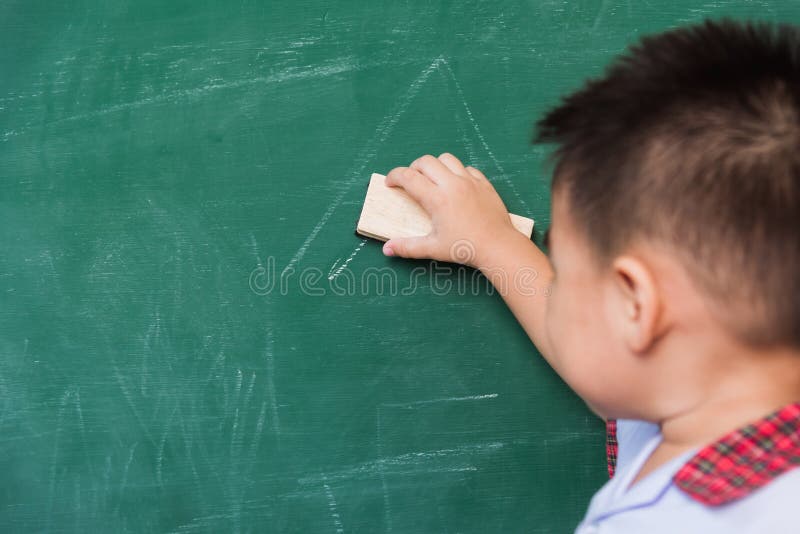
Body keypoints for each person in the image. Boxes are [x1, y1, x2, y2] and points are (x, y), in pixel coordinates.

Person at [380, 19, 800, 532]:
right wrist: (493, 244)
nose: (557, 296)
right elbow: (599, 349)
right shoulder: (706, 383)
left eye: (567, 276)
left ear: (638, 308)